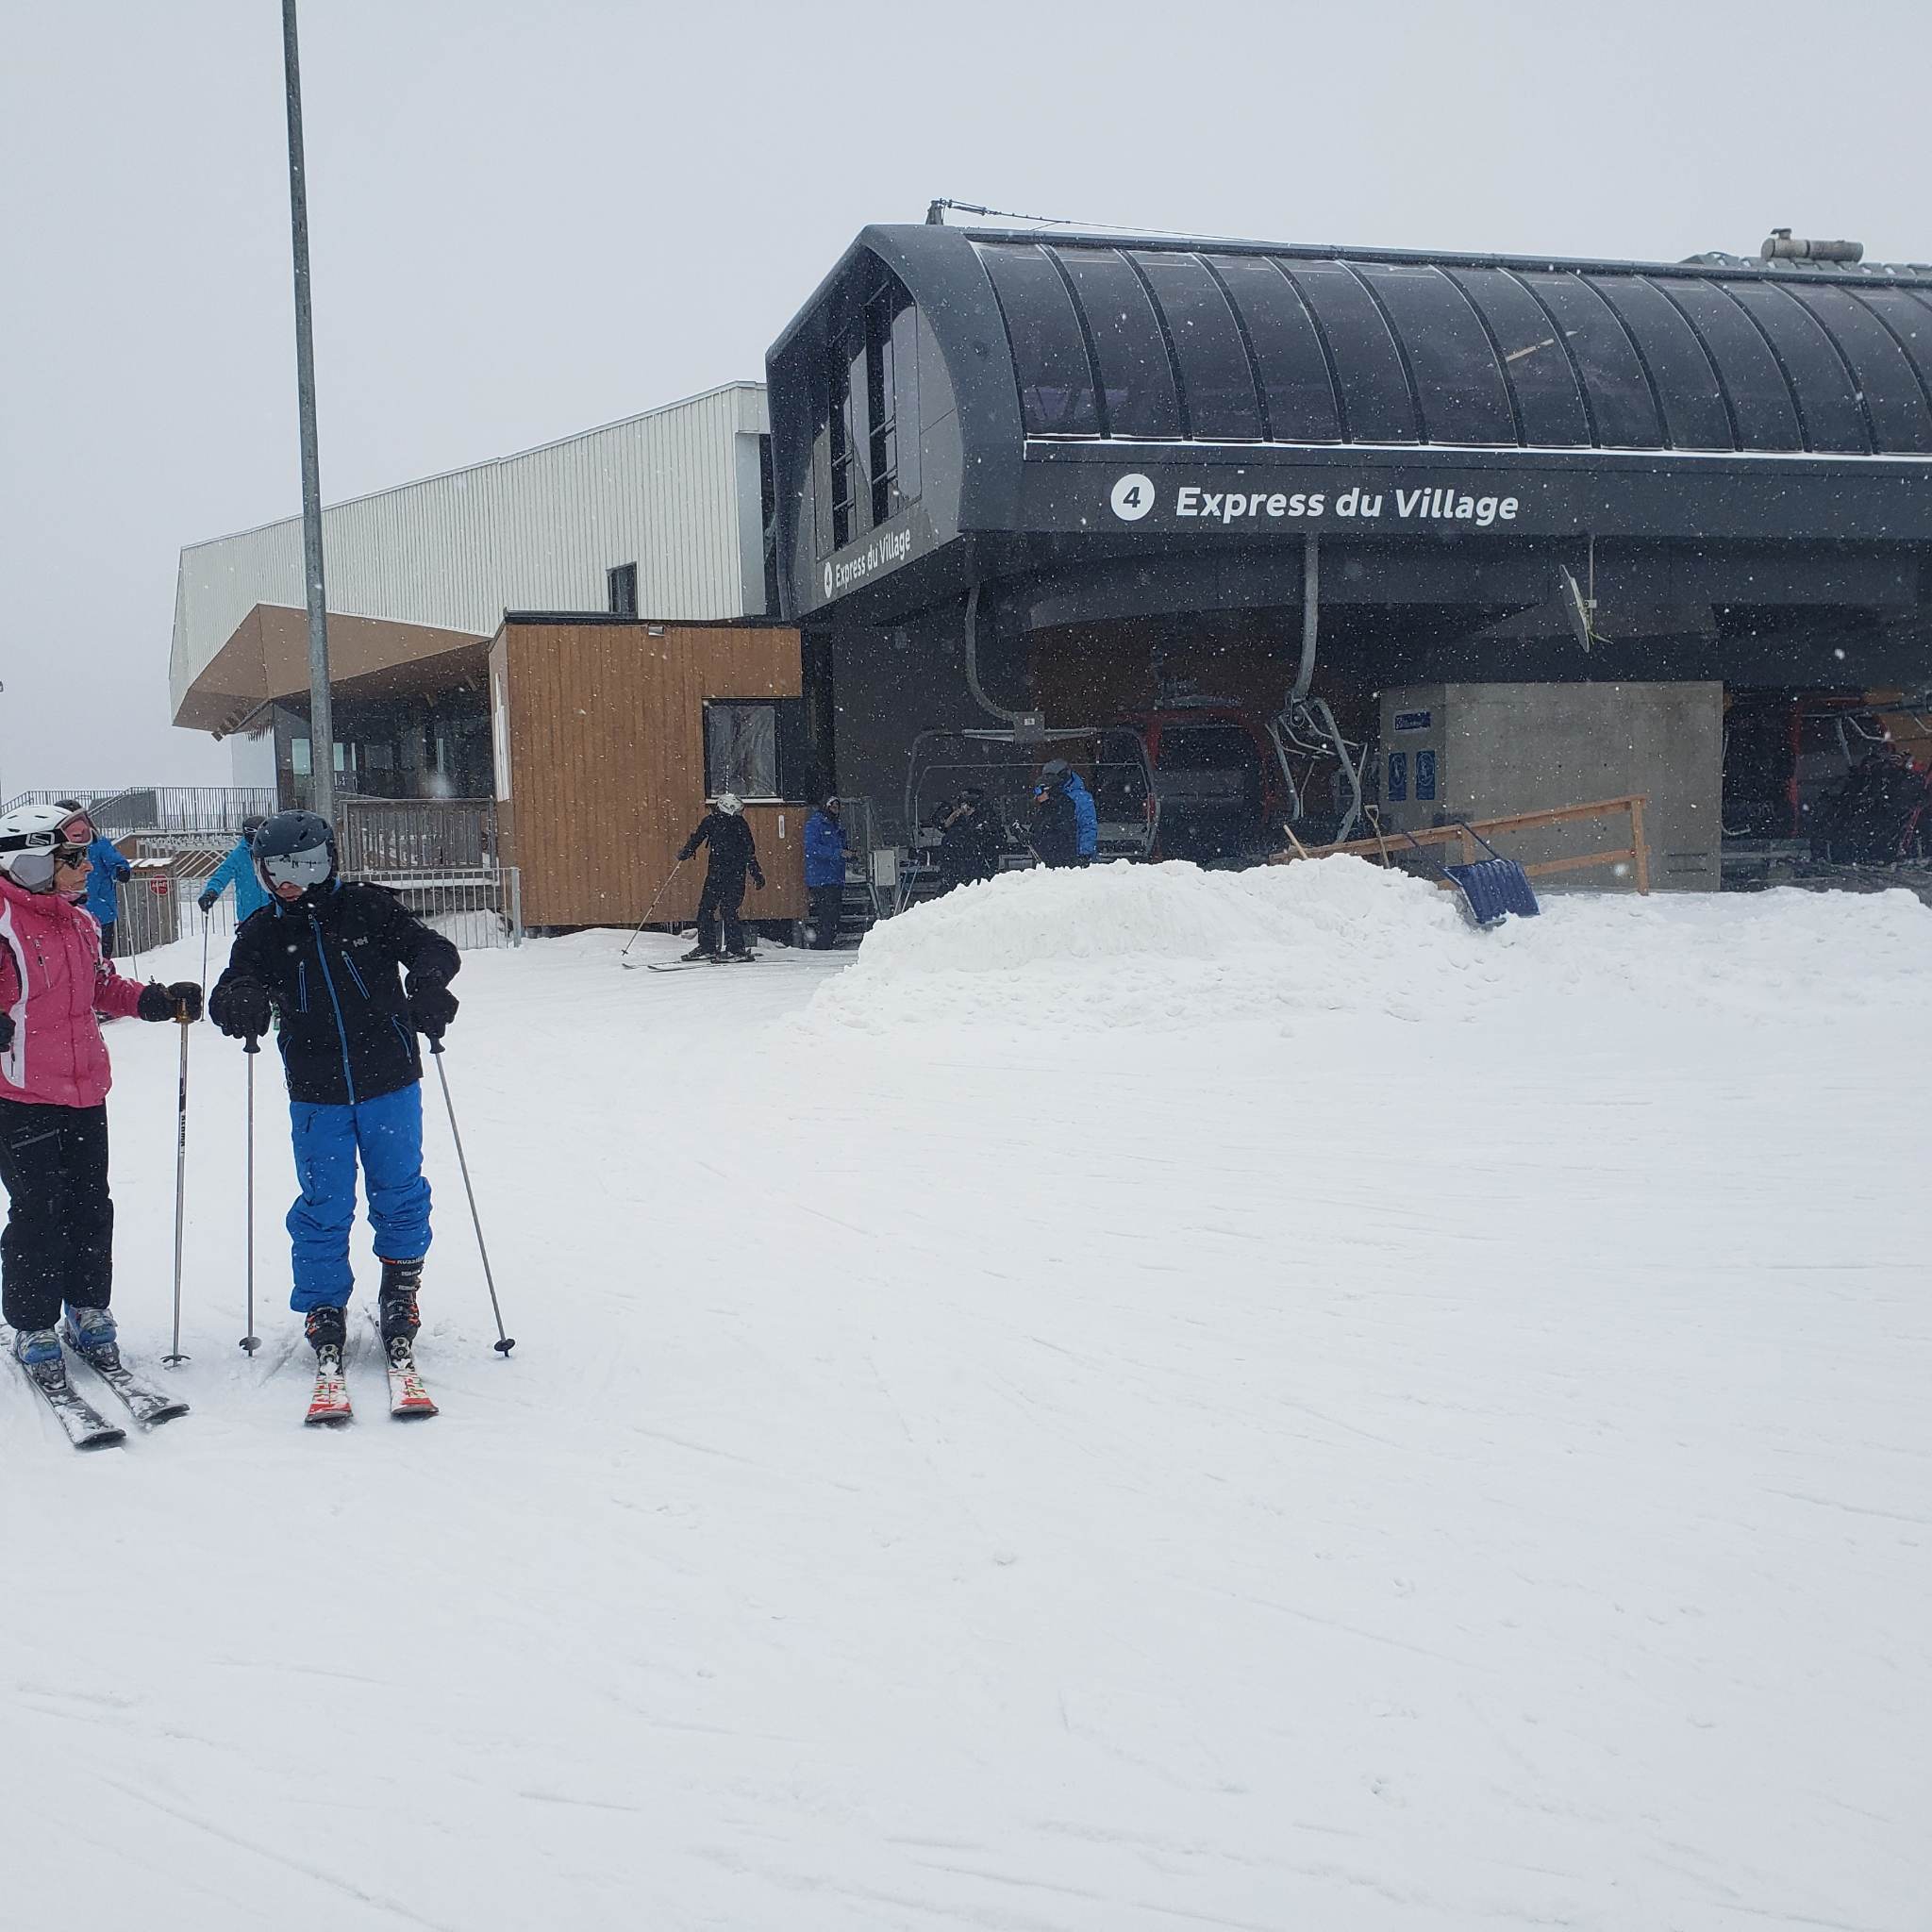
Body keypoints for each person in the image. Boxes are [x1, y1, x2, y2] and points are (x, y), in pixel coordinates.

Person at [207, 811, 460, 1373]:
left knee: (398, 1187)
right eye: (275, 869)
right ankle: (324, 1303)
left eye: (303, 865)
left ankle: (400, 1282)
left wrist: (426, 983)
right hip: (316, 1088)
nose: (289, 880)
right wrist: (239, 1001)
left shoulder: (368, 908)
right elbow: (229, 989)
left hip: (389, 1078)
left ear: (327, 862)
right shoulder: (263, 931)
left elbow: (432, 948)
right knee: (325, 1201)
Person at [0, 805, 202, 1389]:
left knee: (92, 1206)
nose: (87, 866)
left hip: (85, 1089)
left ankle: (87, 1307)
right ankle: (34, 1322)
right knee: (39, 1210)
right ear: (32, 863)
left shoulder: (79, 922)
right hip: (22, 1092)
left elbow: (102, 985)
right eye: (73, 858)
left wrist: (156, 1001)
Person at [676, 792, 765, 961]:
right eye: (737, 810)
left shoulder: (738, 824)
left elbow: (748, 851)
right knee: (706, 908)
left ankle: (736, 949)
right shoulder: (713, 821)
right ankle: (707, 946)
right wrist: (686, 852)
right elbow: (698, 838)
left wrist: (756, 872)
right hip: (718, 874)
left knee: (727, 909)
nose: (740, 813)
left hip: (732, 874)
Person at [54, 802, 133, 957]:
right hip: (69, 913)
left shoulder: (96, 842)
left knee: (99, 959)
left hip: (97, 911)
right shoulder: (55, 846)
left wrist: (121, 869)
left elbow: (114, 860)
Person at [197, 814, 271, 924]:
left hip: (273, 913)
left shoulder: (272, 852)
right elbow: (222, 875)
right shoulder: (238, 855)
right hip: (248, 916)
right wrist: (211, 892)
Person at [936, 788, 1004, 892]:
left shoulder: (986, 818)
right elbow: (941, 824)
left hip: (980, 871)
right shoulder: (957, 825)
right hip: (957, 874)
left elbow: (999, 840)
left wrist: (983, 831)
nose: (966, 807)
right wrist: (955, 814)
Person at [802, 795, 847, 951]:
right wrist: (837, 853)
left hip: (835, 877)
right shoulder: (815, 824)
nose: (836, 809)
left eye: (837, 807)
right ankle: (823, 943)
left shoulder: (837, 826)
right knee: (826, 912)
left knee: (833, 912)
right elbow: (812, 849)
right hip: (821, 877)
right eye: (832, 806)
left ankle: (827, 941)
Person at [1039, 760, 1098, 864]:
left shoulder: (1081, 798)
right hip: (1054, 854)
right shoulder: (1051, 795)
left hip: (1074, 854)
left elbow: (1088, 826)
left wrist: (1085, 853)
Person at [1028, 767, 1081, 869]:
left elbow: (1059, 836)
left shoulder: (1064, 806)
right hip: (1045, 862)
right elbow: (1037, 831)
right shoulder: (1044, 809)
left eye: (1039, 790)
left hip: (1061, 865)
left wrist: (1034, 838)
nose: (1036, 795)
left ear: (1049, 789)